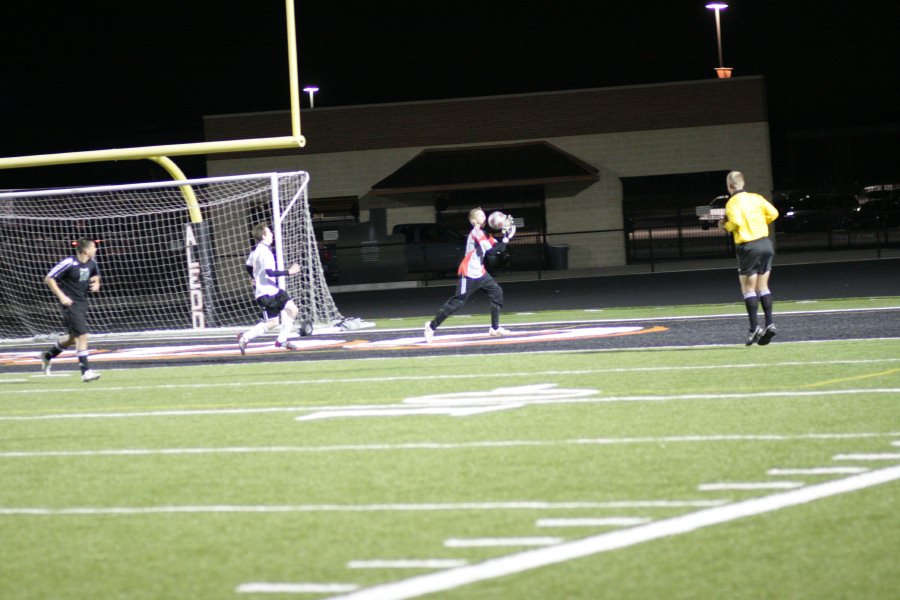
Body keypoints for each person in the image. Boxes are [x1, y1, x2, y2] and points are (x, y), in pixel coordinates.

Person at [424, 208, 515, 342]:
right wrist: (507, 238)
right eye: (480, 215)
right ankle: (431, 327)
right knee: (458, 302)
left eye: (484, 214)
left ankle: (494, 329)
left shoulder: (485, 234)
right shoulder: (476, 233)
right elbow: (491, 252)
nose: (484, 217)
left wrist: (507, 234)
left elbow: (498, 249)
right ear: (473, 221)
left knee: (497, 293)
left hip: (480, 273)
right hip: (469, 274)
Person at [718, 171, 780, 346]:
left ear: (729, 186)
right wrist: (758, 222)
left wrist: (725, 226)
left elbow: (736, 222)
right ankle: (769, 323)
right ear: (743, 183)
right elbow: (774, 213)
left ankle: (754, 329)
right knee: (763, 287)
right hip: (766, 244)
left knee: (748, 289)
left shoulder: (732, 203)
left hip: (749, 247)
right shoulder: (756, 197)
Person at [41, 238, 102, 382]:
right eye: (94, 247)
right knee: (82, 336)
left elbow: (95, 273)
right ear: (86, 251)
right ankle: (85, 372)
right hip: (69, 304)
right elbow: (49, 278)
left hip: (82, 303)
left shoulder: (92, 263)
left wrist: (97, 282)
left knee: (73, 338)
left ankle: (48, 355)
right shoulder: (69, 263)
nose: (96, 250)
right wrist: (62, 296)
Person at [238, 223, 303, 354]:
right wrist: (289, 272)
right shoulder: (265, 253)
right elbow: (270, 273)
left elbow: (248, 266)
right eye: (269, 232)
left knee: (293, 310)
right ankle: (245, 338)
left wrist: (252, 277)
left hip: (273, 290)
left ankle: (282, 340)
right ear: (264, 235)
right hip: (266, 294)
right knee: (273, 322)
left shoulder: (255, 251)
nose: (272, 234)